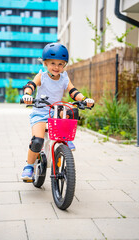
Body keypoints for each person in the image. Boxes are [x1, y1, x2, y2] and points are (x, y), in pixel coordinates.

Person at [21, 42, 94, 180]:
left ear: (64, 65)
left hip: (56, 112)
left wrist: (84, 99)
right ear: (45, 63)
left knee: (70, 110)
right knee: (37, 141)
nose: (56, 67)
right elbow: (30, 85)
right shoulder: (41, 76)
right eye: (53, 63)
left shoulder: (65, 77)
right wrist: (27, 95)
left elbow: (73, 91)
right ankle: (29, 166)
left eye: (61, 64)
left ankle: (65, 139)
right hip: (40, 113)